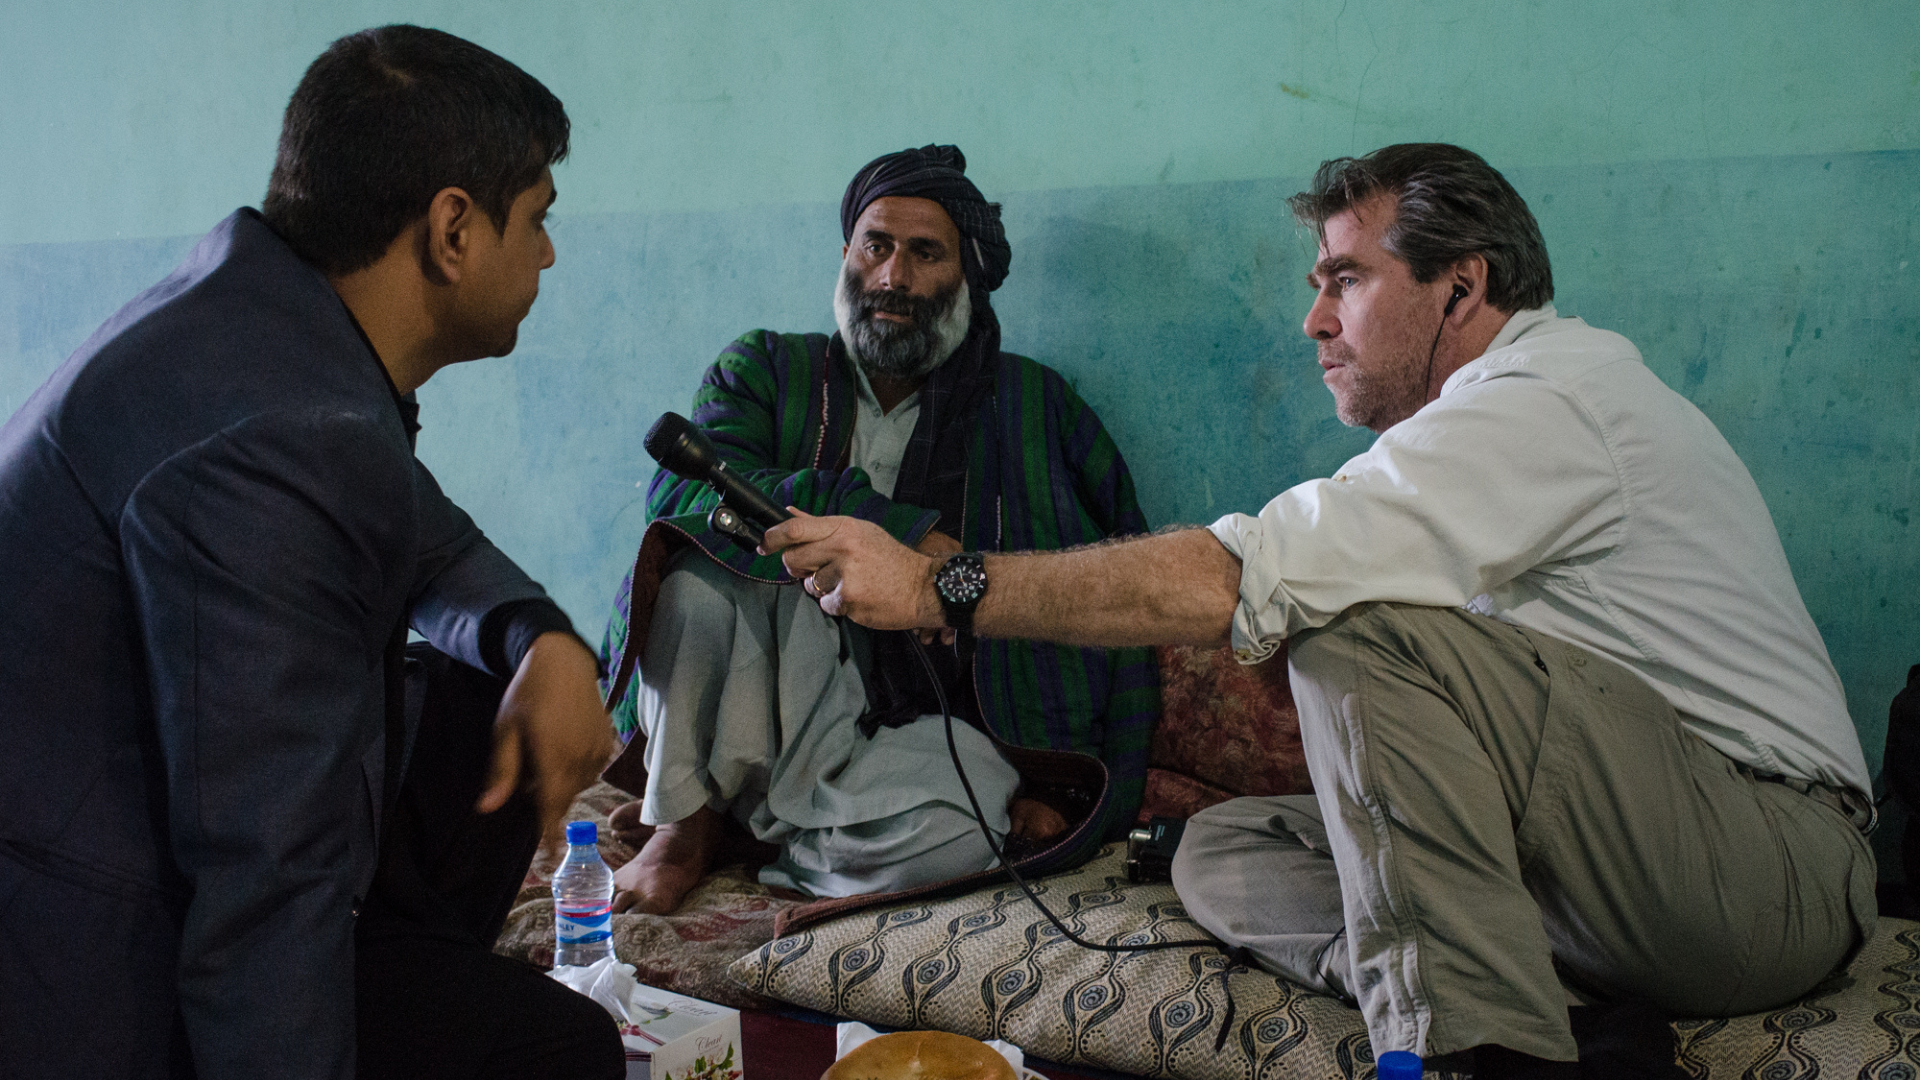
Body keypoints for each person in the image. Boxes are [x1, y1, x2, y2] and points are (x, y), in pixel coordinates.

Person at [762, 144, 1876, 1077]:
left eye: (1343, 279)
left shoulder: (1552, 401)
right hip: (1629, 866)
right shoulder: (1482, 426)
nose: (1313, 321)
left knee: (1357, 625)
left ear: (1461, 287)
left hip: (1765, 865)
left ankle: (1476, 1054)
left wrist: (939, 587)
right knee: (1223, 850)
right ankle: (1572, 1022)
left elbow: (1250, 575)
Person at [0, 26, 623, 1080]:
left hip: (114, 848)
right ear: (454, 231)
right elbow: (262, 880)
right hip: (86, 958)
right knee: (559, 1051)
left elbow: (424, 536)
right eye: (539, 219)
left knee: (481, 699)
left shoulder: (260, 326)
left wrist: (541, 639)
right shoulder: (282, 433)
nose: (550, 255)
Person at [599, 145, 1159, 915]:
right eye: (876, 246)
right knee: (697, 585)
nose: (893, 277)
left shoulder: (1034, 406)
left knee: (968, 826)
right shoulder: (765, 369)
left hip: (925, 716)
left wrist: (1074, 779)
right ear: (846, 255)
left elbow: (1115, 578)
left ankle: (763, 837)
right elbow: (690, 492)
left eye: (925, 253)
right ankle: (686, 827)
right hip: (778, 678)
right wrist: (896, 534)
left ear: (968, 278)